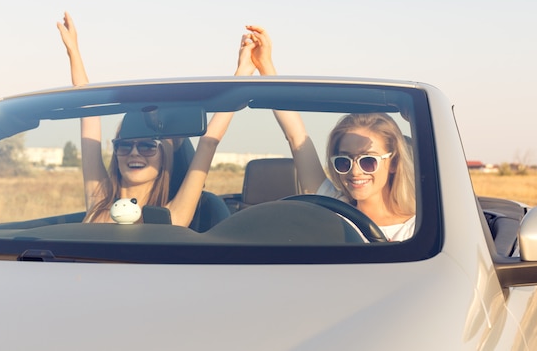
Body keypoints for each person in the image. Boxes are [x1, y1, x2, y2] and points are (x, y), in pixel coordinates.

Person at [57, 12, 255, 225]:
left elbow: (209, 141)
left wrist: (242, 72)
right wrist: (73, 52)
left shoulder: (171, 215)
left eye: (147, 145)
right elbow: (89, 117)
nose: (134, 153)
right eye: (124, 146)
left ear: (164, 157)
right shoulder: (99, 200)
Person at [240, 25, 416, 241]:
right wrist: (265, 65)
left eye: (368, 161)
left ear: (394, 163)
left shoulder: (416, 230)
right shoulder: (331, 205)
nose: (355, 172)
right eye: (343, 161)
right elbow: (296, 137)